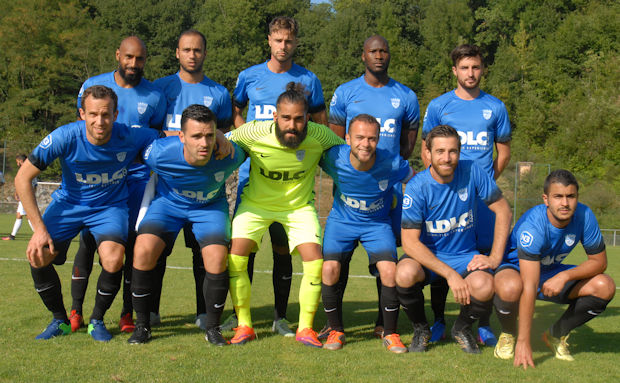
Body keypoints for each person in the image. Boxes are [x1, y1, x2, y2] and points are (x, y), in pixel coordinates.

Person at [15, 85, 159, 341]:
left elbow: (173, 136)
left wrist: (218, 137)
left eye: (106, 114)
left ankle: (97, 320)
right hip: (69, 204)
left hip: (109, 207)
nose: (99, 121)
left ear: (116, 114)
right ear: (82, 113)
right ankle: (59, 319)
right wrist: (39, 230)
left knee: (114, 259)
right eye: (93, 114)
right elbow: (22, 178)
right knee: (38, 255)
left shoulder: (131, 136)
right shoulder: (64, 137)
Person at [228, 16, 328, 336]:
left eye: (289, 41)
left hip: (293, 182)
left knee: (284, 249)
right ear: (269, 40)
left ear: (296, 42)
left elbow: (321, 123)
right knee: (245, 249)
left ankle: (280, 317)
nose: (283, 46)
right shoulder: (249, 76)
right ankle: (239, 315)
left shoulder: (309, 80)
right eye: (278, 40)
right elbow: (235, 109)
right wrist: (243, 138)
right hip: (252, 175)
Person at [227, 82, 343, 347]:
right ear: (275, 117)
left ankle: (305, 329)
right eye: (287, 118)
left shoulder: (320, 135)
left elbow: (347, 155)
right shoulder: (253, 131)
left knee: (315, 262)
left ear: (308, 119)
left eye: (299, 119)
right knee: (235, 257)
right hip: (255, 205)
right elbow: (223, 144)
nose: (293, 125)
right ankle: (244, 325)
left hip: (298, 208)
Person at [324, 34, 419, 338]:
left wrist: (388, 167)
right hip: (352, 188)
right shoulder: (345, 92)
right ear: (363, 56)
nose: (379, 56)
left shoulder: (406, 96)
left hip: (388, 190)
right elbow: (335, 140)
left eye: (384, 51)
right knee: (340, 261)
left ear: (389, 56)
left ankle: (383, 322)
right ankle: (334, 325)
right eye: (373, 51)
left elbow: (408, 143)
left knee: (385, 261)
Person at [69, 36, 166, 334]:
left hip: (136, 181)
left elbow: (156, 137)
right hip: (99, 181)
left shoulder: (155, 95)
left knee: (132, 246)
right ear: (117, 55)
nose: (133, 64)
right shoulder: (93, 85)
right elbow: (81, 127)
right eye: (128, 57)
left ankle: (127, 313)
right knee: (88, 243)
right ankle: (76, 311)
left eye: (139, 59)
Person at [128, 104, 244, 345]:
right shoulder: (159, 153)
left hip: (209, 207)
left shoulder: (231, 153)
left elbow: (256, 142)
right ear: (181, 136)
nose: (204, 143)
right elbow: (133, 146)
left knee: (216, 257)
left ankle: (213, 328)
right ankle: (142, 326)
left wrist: (225, 136)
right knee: (143, 249)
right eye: (196, 136)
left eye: (210, 135)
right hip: (168, 205)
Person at [421, 44, 512, 345]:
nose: (470, 73)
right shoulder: (439, 106)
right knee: (442, 252)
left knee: (482, 257)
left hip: (482, 201)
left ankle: (481, 321)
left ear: (482, 69)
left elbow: (503, 151)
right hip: (445, 197)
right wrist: (439, 184)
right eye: (464, 68)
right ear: (454, 71)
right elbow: (426, 148)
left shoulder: (495, 107)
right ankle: (438, 321)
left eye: (475, 67)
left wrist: (485, 183)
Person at [396, 125, 512, 354]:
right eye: (440, 151)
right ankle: (421, 329)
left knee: (485, 284)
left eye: (452, 151)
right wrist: (449, 274)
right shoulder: (417, 186)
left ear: (460, 152)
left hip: (464, 256)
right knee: (404, 273)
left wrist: (495, 258)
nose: (446, 158)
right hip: (429, 256)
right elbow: (409, 243)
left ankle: (462, 328)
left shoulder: (472, 171)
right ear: (428, 153)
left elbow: (504, 211)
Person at [492, 169, 615, 367]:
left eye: (570, 196)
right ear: (546, 199)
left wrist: (564, 276)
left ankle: (555, 335)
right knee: (510, 287)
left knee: (604, 286)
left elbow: (599, 262)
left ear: (577, 197)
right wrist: (524, 342)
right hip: (515, 270)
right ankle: (509, 334)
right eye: (558, 196)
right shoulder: (533, 226)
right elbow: (529, 285)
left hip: (551, 271)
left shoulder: (585, 216)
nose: (565, 203)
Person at [153, 29, 233, 329]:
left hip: (206, 187)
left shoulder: (219, 93)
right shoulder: (161, 88)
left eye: (198, 50)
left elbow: (224, 135)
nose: (192, 55)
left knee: (204, 253)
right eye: (186, 50)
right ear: (177, 52)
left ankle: (204, 314)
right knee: (158, 250)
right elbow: (152, 133)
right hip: (167, 186)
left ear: (205, 53)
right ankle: (151, 312)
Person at [319, 114, 414, 353]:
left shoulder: (391, 162)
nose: (365, 143)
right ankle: (335, 330)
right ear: (348, 138)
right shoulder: (333, 158)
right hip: (341, 221)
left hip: (376, 224)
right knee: (329, 268)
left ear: (378, 140)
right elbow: (306, 154)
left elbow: (417, 181)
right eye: (360, 137)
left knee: (389, 271)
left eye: (372, 138)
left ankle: (390, 333)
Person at [3, 154, 36, 241]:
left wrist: (21, 193)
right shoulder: (31, 169)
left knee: (25, 215)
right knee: (22, 215)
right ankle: (12, 235)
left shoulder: (26, 170)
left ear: (21, 161)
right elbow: (32, 184)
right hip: (26, 195)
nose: (17, 164)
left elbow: (25, 183)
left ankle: (37, 234)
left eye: (18, 162)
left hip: (25, 195)